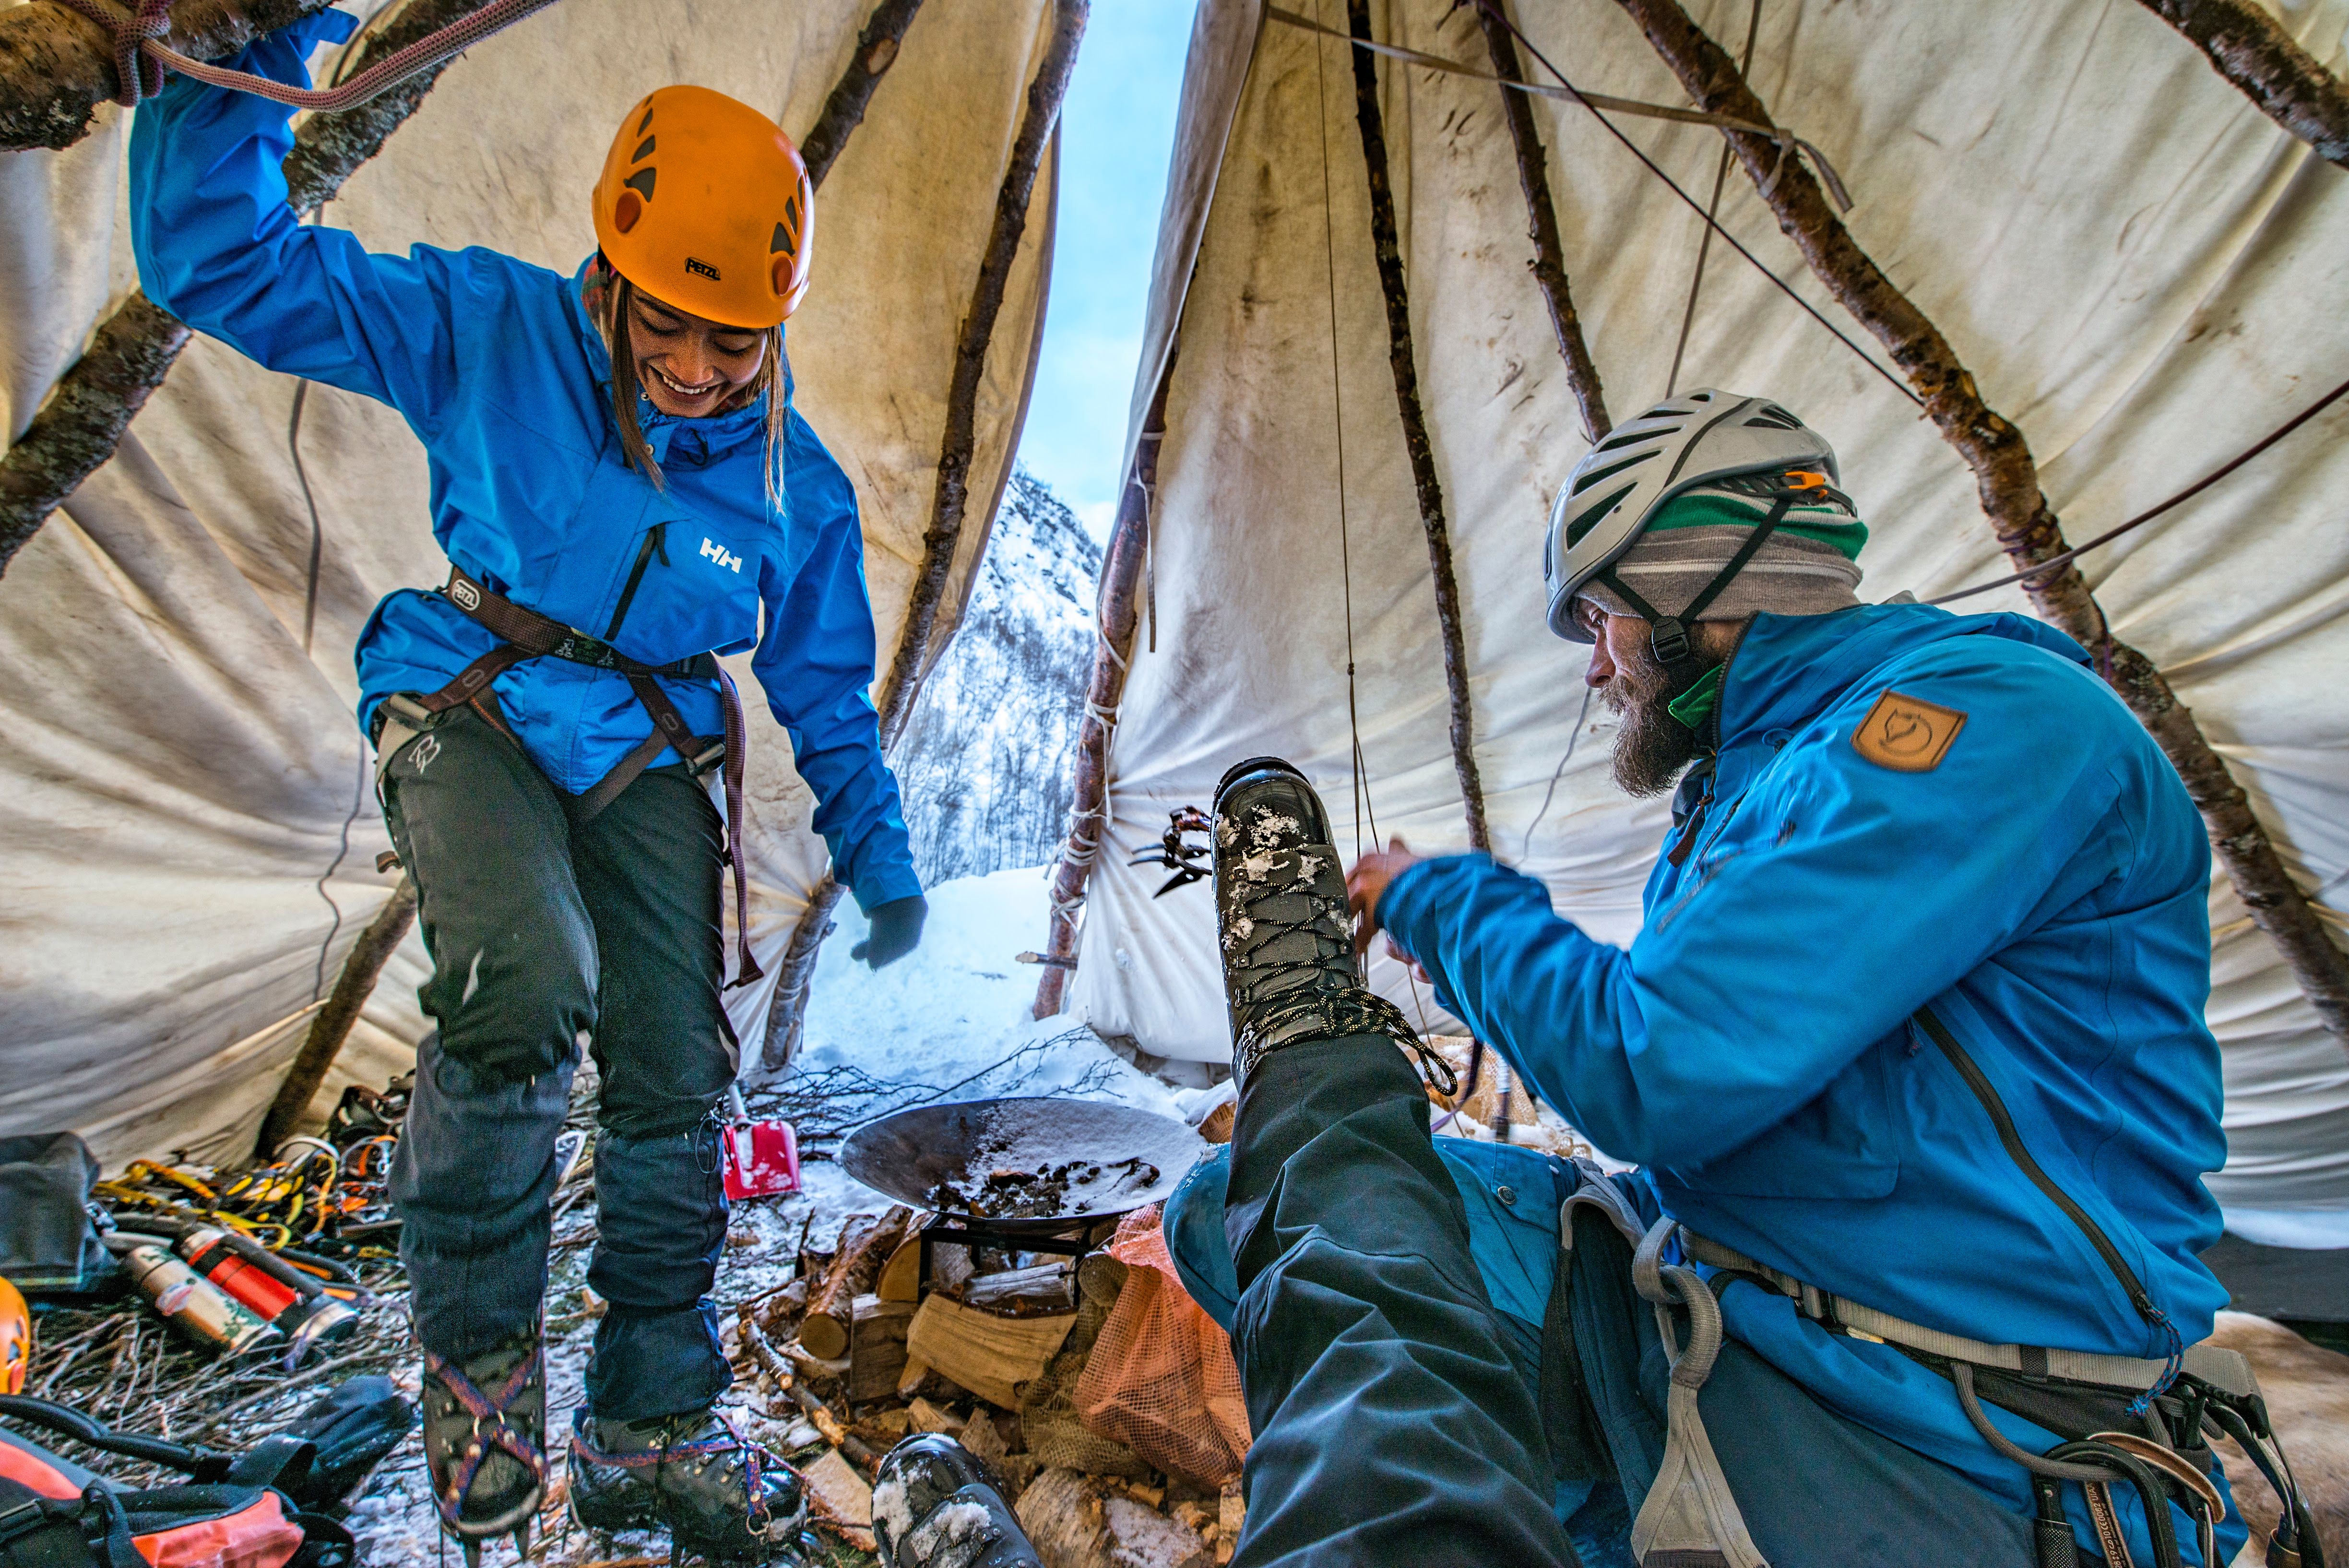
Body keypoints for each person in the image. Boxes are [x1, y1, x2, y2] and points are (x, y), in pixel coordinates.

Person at [873, 390, 2313, 1568]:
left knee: (1352, 1240)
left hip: (1938, 1420)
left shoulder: (1979, 727)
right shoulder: (1763, 782)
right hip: (1723, 1298)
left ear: (1699, 592)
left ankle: (1453, 1493)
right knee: (1243, 1212)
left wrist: (1441, 900)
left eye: (1602, 621)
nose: (1594, 669)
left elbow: (1660, 1062)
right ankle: (1499, 1467)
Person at [131, 15, 928, 1562]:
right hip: (473, 693)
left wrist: (879, 860)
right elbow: (220, 267)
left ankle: (648, 1419)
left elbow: (824, 689)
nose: (696, 373)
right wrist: (253, 47)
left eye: (736, 343)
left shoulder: (793, 488)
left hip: (643, 740)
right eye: (669, 325)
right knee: (519, 987)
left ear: (778, 330)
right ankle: (483, 1381)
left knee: (675, 1066)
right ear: (613, 276)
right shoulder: (482, 329)